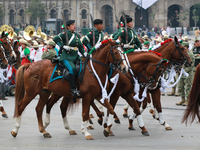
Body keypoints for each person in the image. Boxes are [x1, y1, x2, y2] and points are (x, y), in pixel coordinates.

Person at [53, 20, 86, 97]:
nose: (74, 26)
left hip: (76, 56)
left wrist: (84, 52)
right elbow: (55, 39)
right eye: (72, 25)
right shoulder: (65, 34)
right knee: (72, 69)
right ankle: (73, 89)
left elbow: (80, 46)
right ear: (68, 27)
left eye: (74, 24)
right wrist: (63, 46)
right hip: (67, 57)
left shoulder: (76, 35)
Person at [176, 42, 194, 106]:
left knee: (187, 88)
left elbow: (191, 66)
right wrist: (178, 71)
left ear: (186, 47)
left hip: (188, 74)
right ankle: (182, 99)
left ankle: (188, 100)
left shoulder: (190, 54)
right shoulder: (181, 54)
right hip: (181, 74)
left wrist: (183, 71)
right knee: (180, 87)